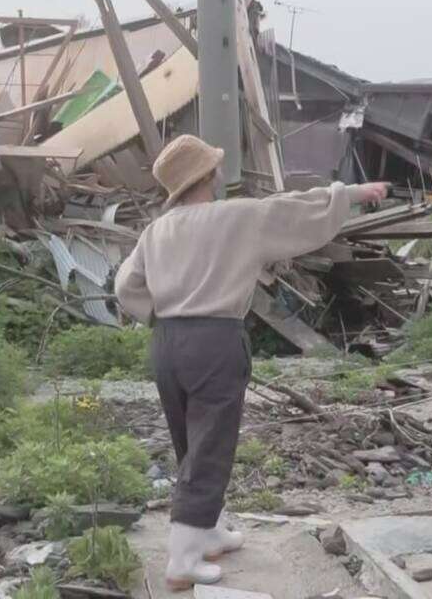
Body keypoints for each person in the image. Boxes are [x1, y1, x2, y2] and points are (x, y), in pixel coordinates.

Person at [115, 135, 387, 589]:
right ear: (207, 176)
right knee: (211, 445)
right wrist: (355, 193)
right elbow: (297, 208)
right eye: (215, 166)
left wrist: (160, 314)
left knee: (190, 440)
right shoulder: (235, 217)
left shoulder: (155, 229)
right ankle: (182, 559)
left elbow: (126, 286)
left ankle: (209, 530)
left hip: (167, 340)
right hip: (214, 340)